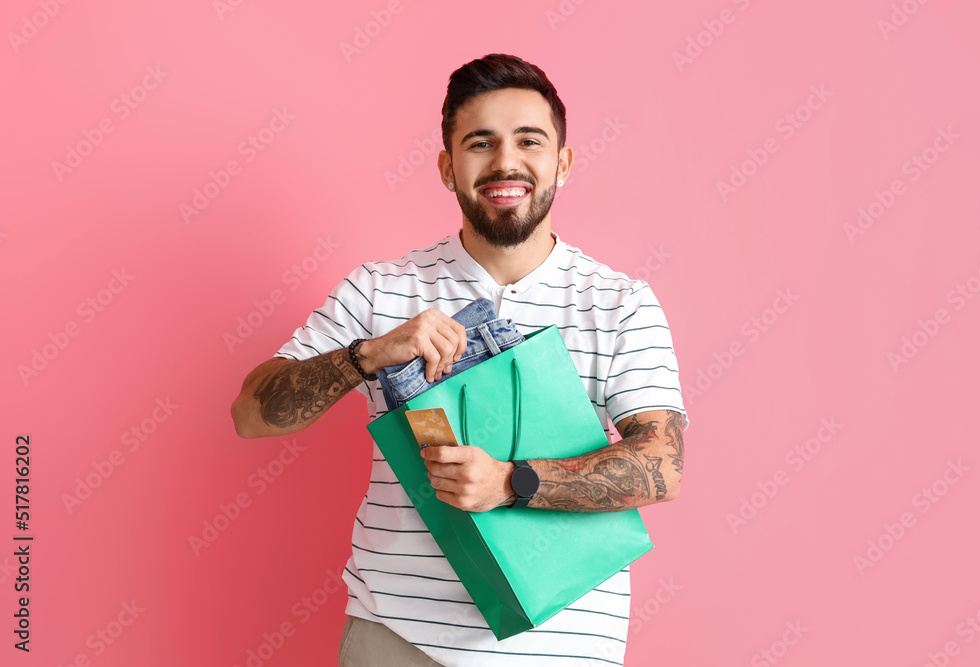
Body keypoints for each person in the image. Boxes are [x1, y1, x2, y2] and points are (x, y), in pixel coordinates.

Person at [231, 53, 689, 667]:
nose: (506, 162)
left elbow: (662, 464)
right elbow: (253, 414)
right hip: (395, 637)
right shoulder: (379, 289)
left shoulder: (618, 303)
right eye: (480, 143)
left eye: (529, 140)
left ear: (564, 162)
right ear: (448, 168)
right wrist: (367, 355)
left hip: (563, 646)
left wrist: (511, 483)